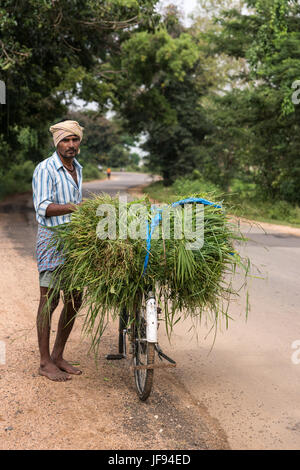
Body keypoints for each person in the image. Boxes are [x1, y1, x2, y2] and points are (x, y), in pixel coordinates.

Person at [32, 120, 84, 382]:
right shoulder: (45, 169)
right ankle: (44, 362)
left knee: (75, 299)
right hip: (52, 239)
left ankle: (58, 355)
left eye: (75, 140)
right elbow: (43, 207)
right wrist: (74, 207)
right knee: (49, 300)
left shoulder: (77, 169)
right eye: (66, 140)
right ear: (57, 143)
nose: (71, 145)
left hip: (73, 242)